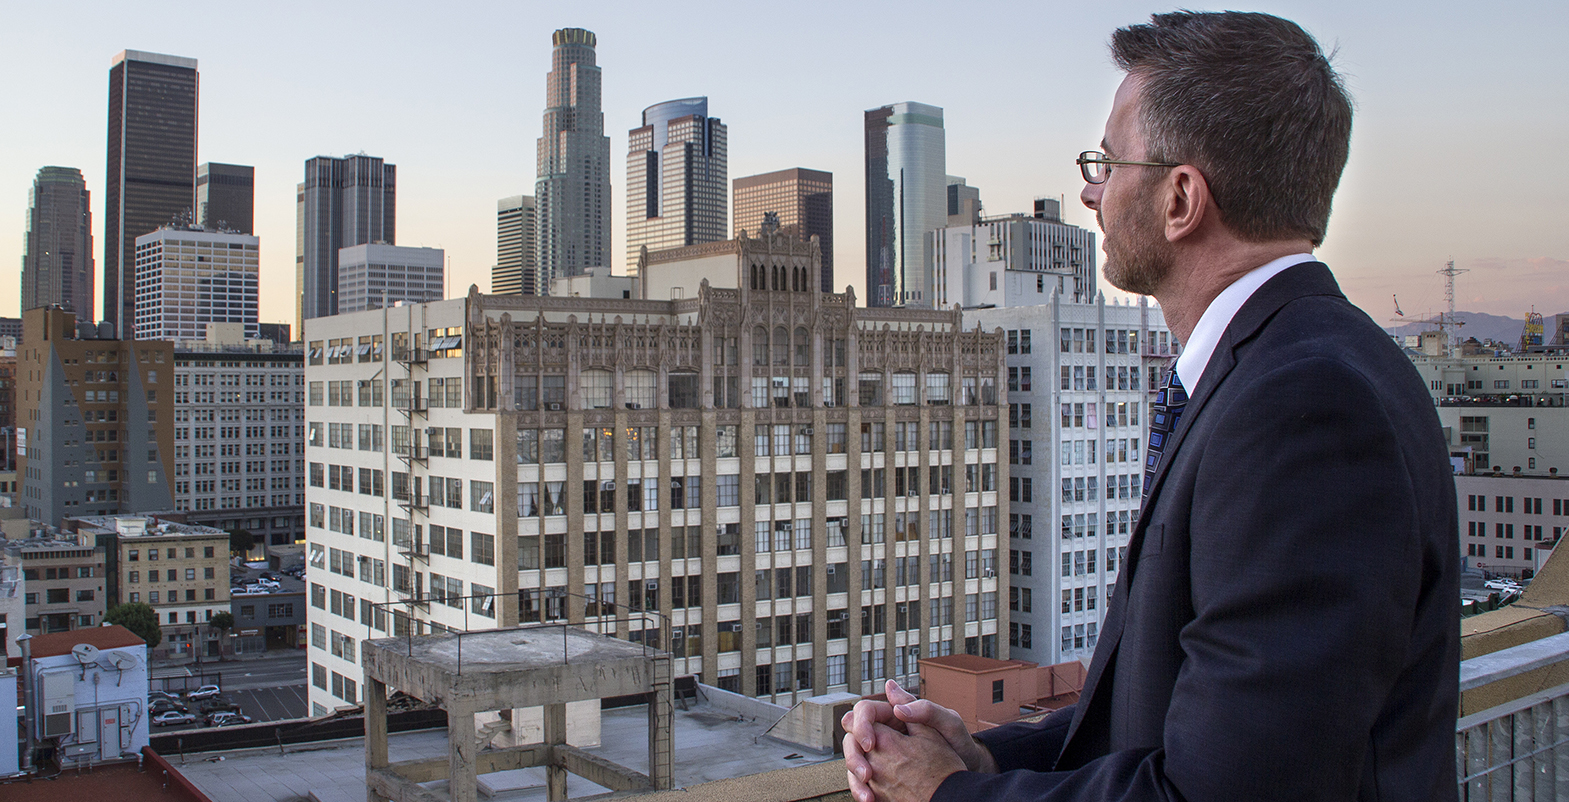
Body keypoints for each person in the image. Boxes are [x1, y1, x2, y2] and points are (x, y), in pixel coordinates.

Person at [842, 11, 1459, 802]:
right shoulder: (1309, 362)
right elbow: (1173, 716)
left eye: (1107, 161)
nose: (1089, 189)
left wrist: (944, 794)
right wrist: (992, 757)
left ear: (1179, 198)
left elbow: (1224, 791)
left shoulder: (1302, 406)